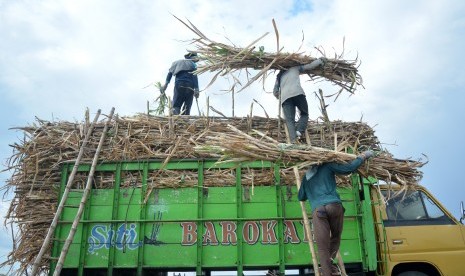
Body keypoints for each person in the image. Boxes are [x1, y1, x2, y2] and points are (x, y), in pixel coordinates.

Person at [298, 150, 374, 276]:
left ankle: (328, 271)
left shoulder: (306, 177)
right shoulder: (327, 166)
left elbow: (301, 197)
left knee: (322, 248)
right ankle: (331, 264)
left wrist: (307, 183)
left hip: (318, 210)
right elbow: (348, 168)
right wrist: (363, 156)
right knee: (335, 238)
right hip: (334, 205)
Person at [273, 57, 326, 143]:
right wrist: (320, 61)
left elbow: (275, 92)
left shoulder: (279, 76)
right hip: (297, 93)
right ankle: (299, 131)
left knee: (290, 121)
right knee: (304, 113)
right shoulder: (295, 67)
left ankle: (293, 141)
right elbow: (310, 66)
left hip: (285, 98)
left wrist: (280, 96)